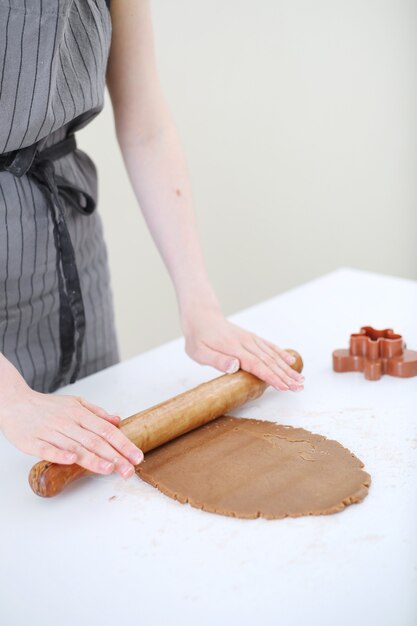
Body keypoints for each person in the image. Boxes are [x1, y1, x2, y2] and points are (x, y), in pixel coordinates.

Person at [0, 0, 304, 481]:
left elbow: (148, 129)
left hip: (69, 248)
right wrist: (9, 397)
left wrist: (199, 305)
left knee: (101, 467)